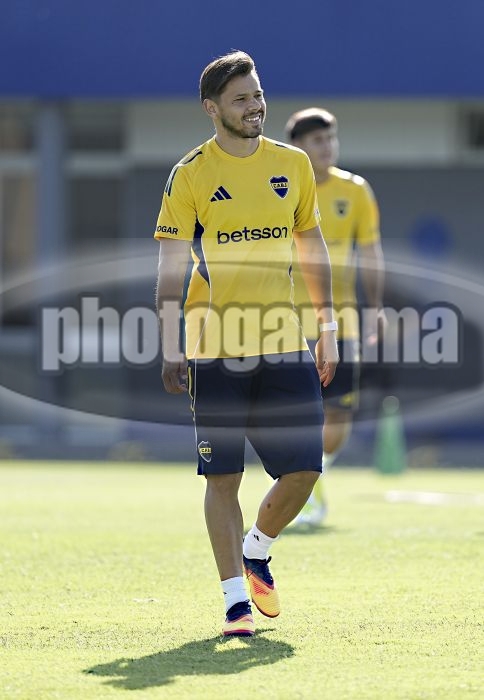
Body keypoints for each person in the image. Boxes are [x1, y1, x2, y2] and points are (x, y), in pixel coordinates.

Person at [154, 52, 339, 637]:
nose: (255, 106)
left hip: (284, 343)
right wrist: (170, 342)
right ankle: (236, 601)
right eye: (241, 99)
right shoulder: (190, 174)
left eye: (257, 94)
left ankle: (256, 548)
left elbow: (312, 247)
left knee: (304, 470)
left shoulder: (293, 164)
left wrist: (327, 328)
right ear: (212, 109)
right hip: (213, 348)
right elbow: (169, 268)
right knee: (223, 478)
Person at [285, 107, 386, 526]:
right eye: (317, 140)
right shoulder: (284, 188)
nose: (327, 147)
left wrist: (375, 307)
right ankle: (301, 488)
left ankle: (312, 478)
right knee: (294, 411)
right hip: (288, 319)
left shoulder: (355, 190)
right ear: (298, 147)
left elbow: (371, 252)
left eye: (331, 138)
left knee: (339, 416)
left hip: (341, 319)